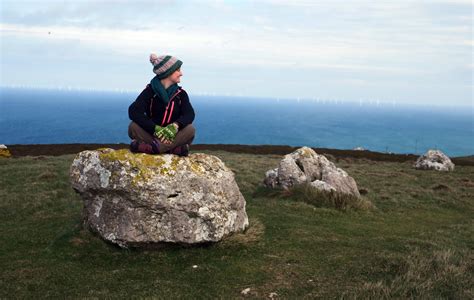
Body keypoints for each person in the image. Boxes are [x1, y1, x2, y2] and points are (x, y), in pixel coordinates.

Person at [128, 53, 195, 156]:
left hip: (174, 135)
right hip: (152, 135)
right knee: (133, 127)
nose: (181, 73)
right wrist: (155, 129)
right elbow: (134, 111)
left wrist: (175, 126)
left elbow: (189, 114)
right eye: (178, 70)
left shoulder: (181, 94)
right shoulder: (150, 91)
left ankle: (155, 148)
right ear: (168, 72)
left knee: (190, 129)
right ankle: (171, 149)